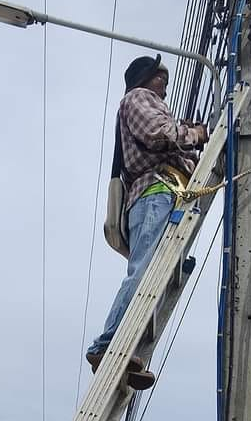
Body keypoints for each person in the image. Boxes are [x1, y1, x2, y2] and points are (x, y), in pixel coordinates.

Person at [86, 55, 208, 384]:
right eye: (160, 79)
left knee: (158, 276)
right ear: (144, 77)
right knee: (144, 271)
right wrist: (195, 134)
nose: (164, 87)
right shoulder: (138, 98)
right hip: (154, 191)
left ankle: (128, 352)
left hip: (167, 192)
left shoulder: (152, 103)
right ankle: (106, 344)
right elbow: (159, 134)